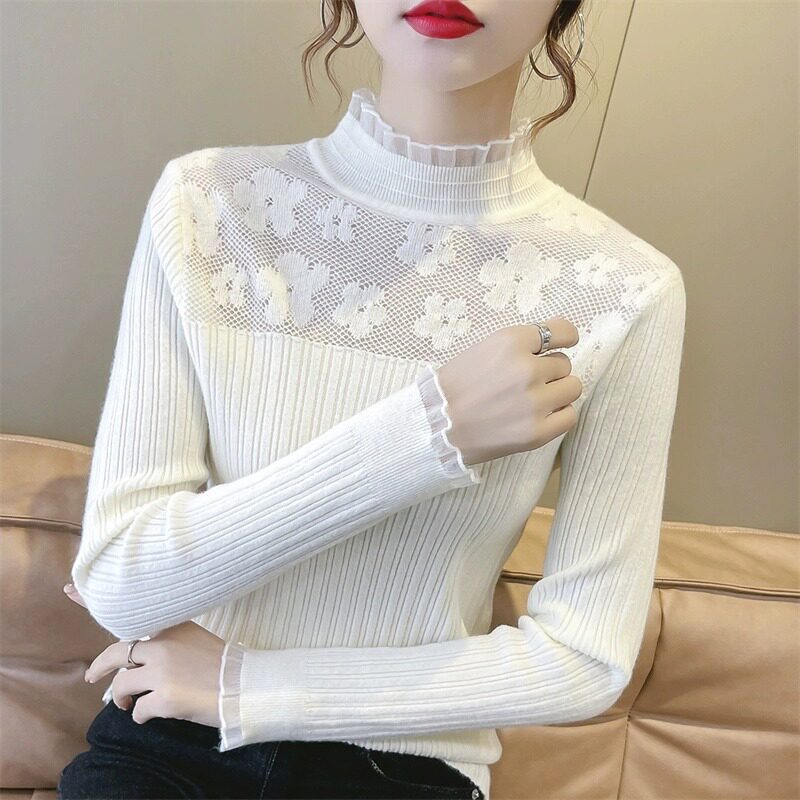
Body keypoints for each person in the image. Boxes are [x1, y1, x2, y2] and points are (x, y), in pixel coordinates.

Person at [57, 0, 687, 798]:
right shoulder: (209, 204)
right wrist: (427, 435)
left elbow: (584, 657)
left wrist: (252, 686)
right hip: (166, 747)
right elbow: (119, 582)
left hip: (404, 770)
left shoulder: (625, 290)